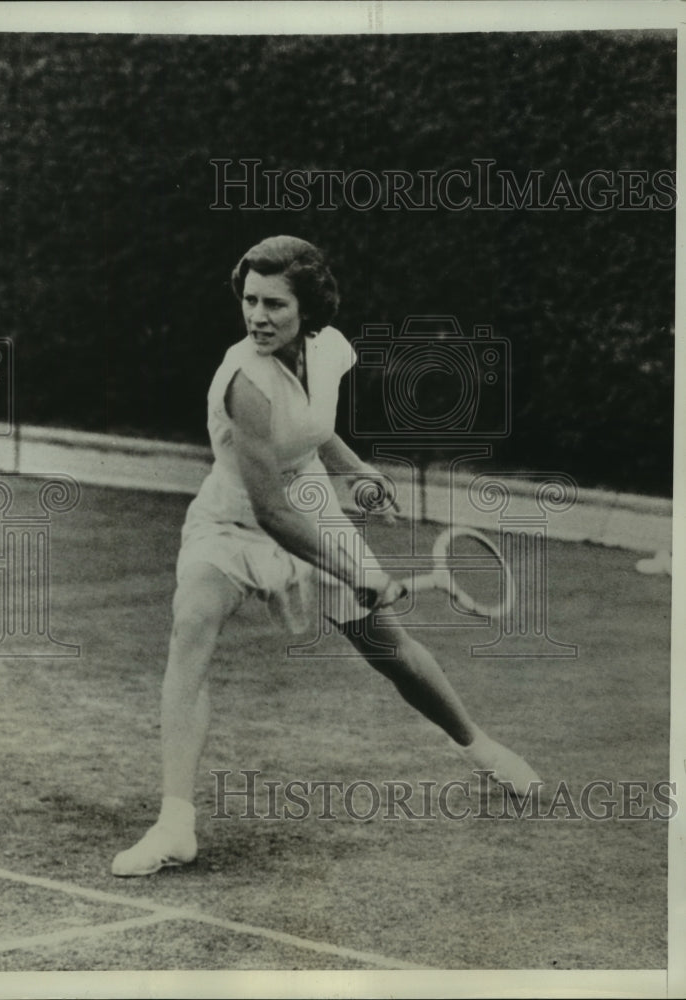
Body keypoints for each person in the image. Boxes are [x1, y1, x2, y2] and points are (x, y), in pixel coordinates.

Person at [112, 235, 540, 877]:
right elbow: (270, 512)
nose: (258, 316)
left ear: (308, 311)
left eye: (275, 305)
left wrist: (358, 470)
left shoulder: (333, 351)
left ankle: (483, 751)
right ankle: (176, 824)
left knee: (387, 648)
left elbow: (312, 428)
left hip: (309, 501)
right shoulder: (244, 383)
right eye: (250, 301)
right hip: (235, 519)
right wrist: (356, 573)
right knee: (190, 626)